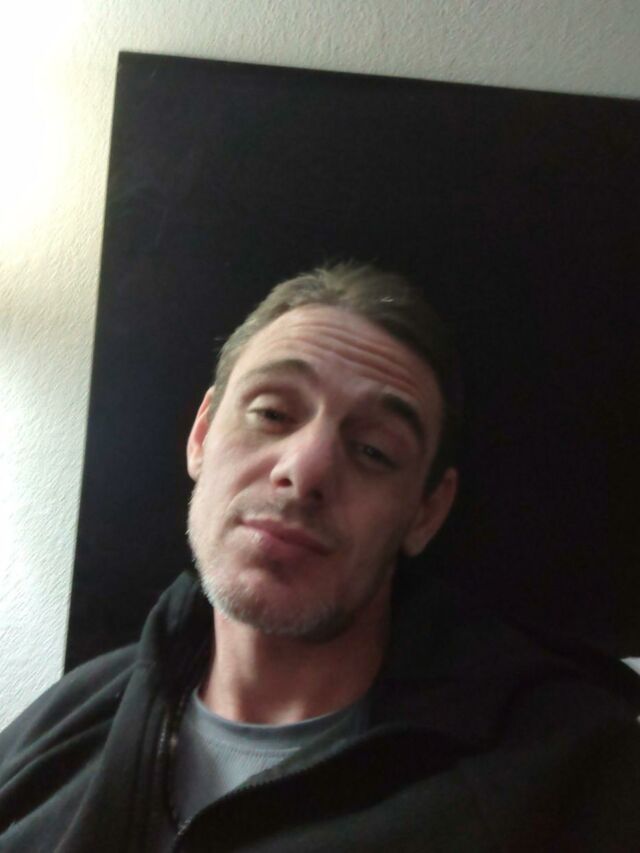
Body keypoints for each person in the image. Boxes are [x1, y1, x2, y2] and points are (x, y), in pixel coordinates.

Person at [1, 263, 639, 852]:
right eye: (273, 413)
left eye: (374, 451)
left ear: (426, 512)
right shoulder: (61, 724)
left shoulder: (571, 780)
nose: (304, 471)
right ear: (201, 435)